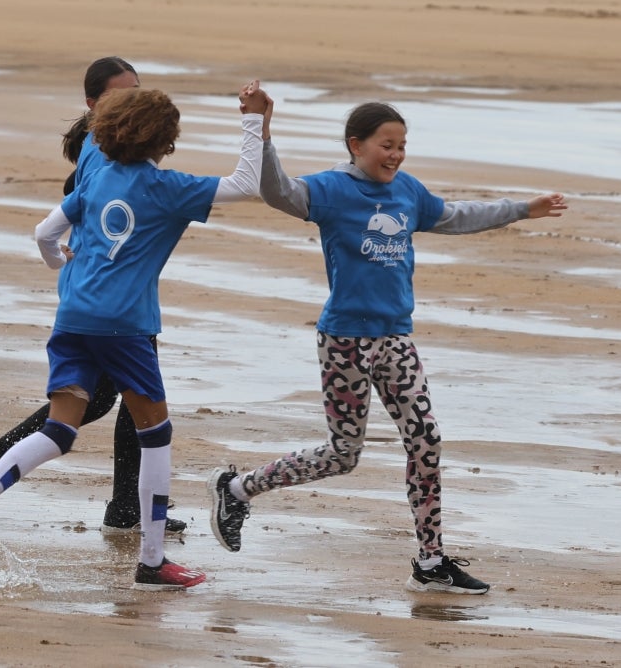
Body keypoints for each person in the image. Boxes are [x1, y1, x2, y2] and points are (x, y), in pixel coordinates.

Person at [206, 99, 568, 595]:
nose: (396, 155)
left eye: (402, 146)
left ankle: (431, 559)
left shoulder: (407, 192)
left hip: (395, 338)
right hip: (344, 343)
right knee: (343, 454)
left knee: (426, 439)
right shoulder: (332, 191)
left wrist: (524, 209)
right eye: (386, 145)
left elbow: (459, 215)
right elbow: (278, 191)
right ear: (357, 146)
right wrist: (262, 135)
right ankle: (237, 489)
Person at [0, 81, 272, 591]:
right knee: (155, 436)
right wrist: (254, 120)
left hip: (72, 319)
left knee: (59, 430)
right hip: (125, 327)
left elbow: (44, 234)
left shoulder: (94, 180)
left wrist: (63, 265)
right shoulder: (168, 187)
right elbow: (248, 182)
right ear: (164, 141)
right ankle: (153, 561)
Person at [0, 56, 188, 538]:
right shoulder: (100, 148)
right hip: (105, 295)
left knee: (107, 398)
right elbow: (72, 210)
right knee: (119, 400)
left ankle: (123, 504)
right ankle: (126, 508)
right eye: (119, 95)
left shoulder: (107, 143)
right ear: (92, 105)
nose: (131, 101)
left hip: (103, 290)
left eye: (136, 91)